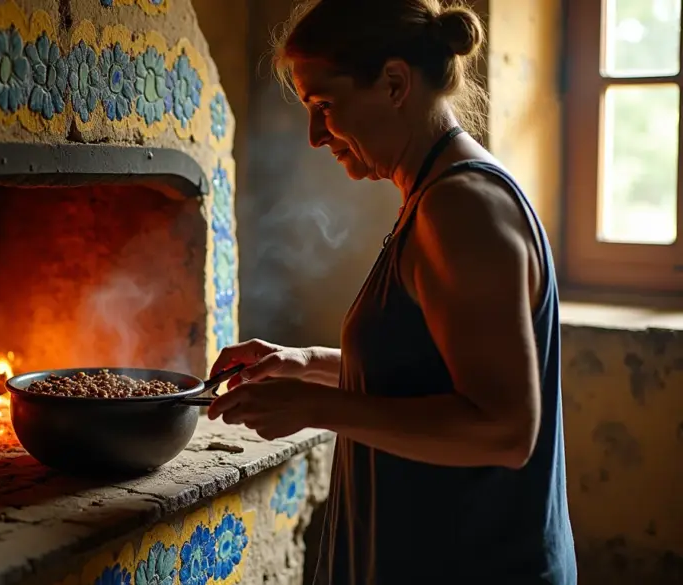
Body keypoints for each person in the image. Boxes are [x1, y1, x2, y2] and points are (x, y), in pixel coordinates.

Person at [205, 1, 577, 583]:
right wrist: (305, 365)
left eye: (324, 106)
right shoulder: (432, 195)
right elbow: (423, 374)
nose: (315, 135)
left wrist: (313, 409)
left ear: (395, 83)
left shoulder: (462, 208)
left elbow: (505, 430)